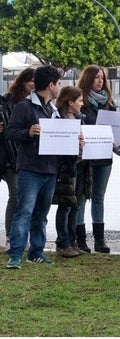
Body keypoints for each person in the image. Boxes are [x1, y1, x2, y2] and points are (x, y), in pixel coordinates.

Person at [6, 65, 62, 268]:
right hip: (30, 169)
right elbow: (10, 132)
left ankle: (36, 252)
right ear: (51, 85)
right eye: (58, 84)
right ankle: (15, 254)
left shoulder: (54, 110)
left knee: (41, 215)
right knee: (24, 211)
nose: (59, 88)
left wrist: (76, 141)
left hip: (50, 169)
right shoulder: (24, 107)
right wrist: (28, 132)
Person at [75, 65, 117, 253]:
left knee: (99, 197)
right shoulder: (80, 101)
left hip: (104, 157)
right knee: (82, 197)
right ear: (88, 79)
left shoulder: (109, 103)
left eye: (102, 78)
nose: (100, 81)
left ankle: (99, 239)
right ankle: (80, 239)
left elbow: (116, 127)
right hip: (85, 158)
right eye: (96, 77)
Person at [0, 67, 34, 248]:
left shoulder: (39, 103)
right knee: (16, 194)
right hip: (9, 156)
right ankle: (10, 236)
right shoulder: (7, 101)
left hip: (26, 157)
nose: (34, 84)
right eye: (31, 81)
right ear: (22, 81)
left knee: (24, 197)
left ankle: (20, 235)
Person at [53, 86, 85, 258]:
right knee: (65, 205)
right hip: (66, 168)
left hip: (77, 166)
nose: (82, 103)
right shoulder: (59, 119)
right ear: (70, 102)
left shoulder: (78, 119)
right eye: (79, 100)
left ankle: (72, 241)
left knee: (74, 205)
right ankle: (63, 242)